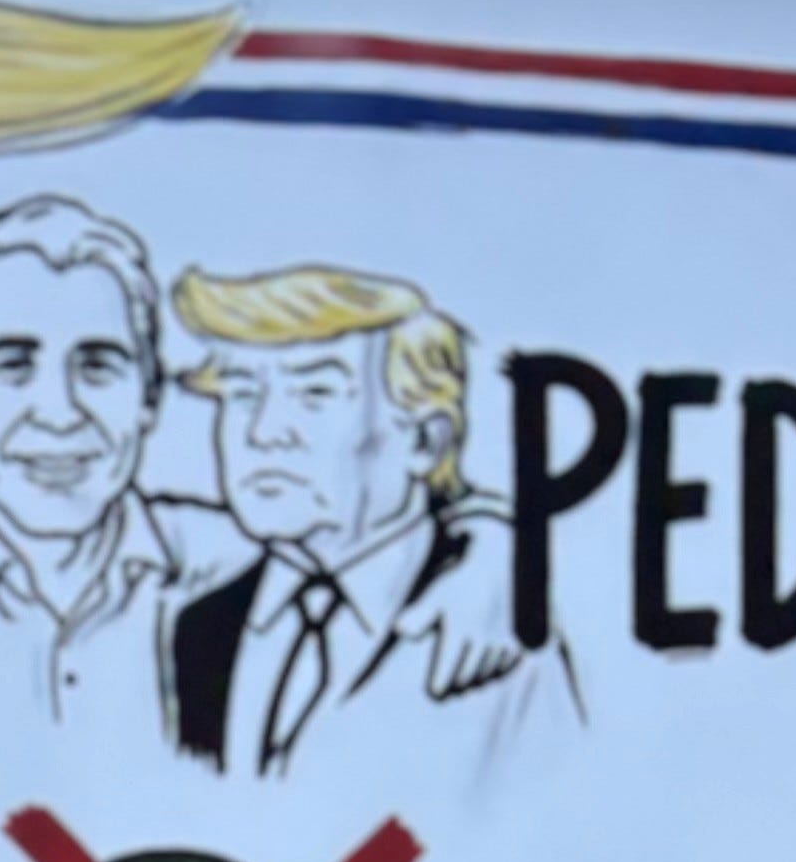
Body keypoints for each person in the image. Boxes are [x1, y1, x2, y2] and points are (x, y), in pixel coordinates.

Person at [157, 261, 565, 770]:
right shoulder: (198, 629)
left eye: (315, 395)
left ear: (425, 440)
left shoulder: (490, 632)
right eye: (242, 394)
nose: (263, 432)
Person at [0, 190, 195, 718]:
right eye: (13, 366)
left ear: (150, 394)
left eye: (97, 366)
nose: (59, 412)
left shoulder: (239, 574)